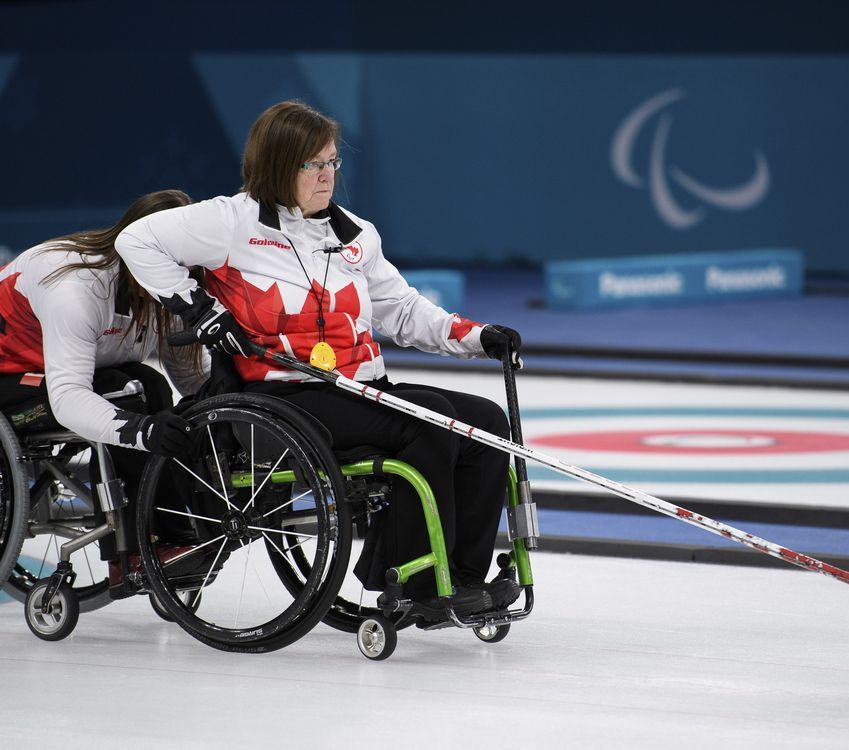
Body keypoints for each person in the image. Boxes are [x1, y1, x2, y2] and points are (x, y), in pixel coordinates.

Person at [115, 100, 524, 617]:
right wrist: (201, 310)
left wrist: (477, 336)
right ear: (279, 165)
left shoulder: (354, 234)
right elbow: (137, 238)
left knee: (487, 422)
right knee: (429, 427)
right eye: (314, 165)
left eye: (333, 162)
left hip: (358, 388)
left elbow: (401, 310)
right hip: (280, 397)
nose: (328, 175)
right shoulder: (230, 222)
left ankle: (465, 577)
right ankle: (416, 583)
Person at [0, 189, 209, 596]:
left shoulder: (167, 284)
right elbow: (68, 398)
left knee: (149, 386)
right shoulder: (75, 288)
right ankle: (130, 553)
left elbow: (192, 381)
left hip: (62, 369)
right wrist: (144, 432)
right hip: (8, 377)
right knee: (124, 396)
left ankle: (173, 535)